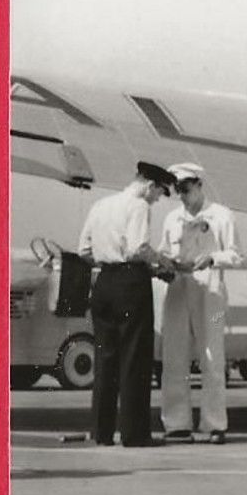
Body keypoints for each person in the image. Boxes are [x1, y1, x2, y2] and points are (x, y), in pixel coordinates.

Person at [77, 161, 176, 447]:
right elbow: (138, 248)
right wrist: (162, 261)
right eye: (159, 193)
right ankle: (135, 433)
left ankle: (102, 431)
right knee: (134, 358)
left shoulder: (101, 204)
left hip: (104, 283)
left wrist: (110, 261)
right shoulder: (139, 206)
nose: (157, 199)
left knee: (105, 358)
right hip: (131, 285)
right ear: (149, 186)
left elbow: (84, 249)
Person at [157, 162, 243, 444]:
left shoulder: (221, 215)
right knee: (174, 355)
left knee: (212, 355)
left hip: (212, 292)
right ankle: (177, 422)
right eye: (177, 190)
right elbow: (164, 251)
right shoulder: (172, 218)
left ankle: (214, 423)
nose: (181, 195)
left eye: (185, 188)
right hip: (179, 288)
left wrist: (213, 258)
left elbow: (236, 255)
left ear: (199, 185)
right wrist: (166, 265)